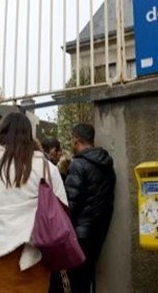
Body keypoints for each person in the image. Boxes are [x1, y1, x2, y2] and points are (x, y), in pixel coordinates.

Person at [0, 112, 67, 293]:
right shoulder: (46, 166)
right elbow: (61, 210)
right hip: (34, 255)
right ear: (30, 134)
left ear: (1, 131)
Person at [64, 123, 116, 293]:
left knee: (75, 283)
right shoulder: (107, 165)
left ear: (76, 140)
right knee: (87, 280)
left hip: (79, 234)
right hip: (98, 231)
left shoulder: (78, 165)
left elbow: (70, 203)